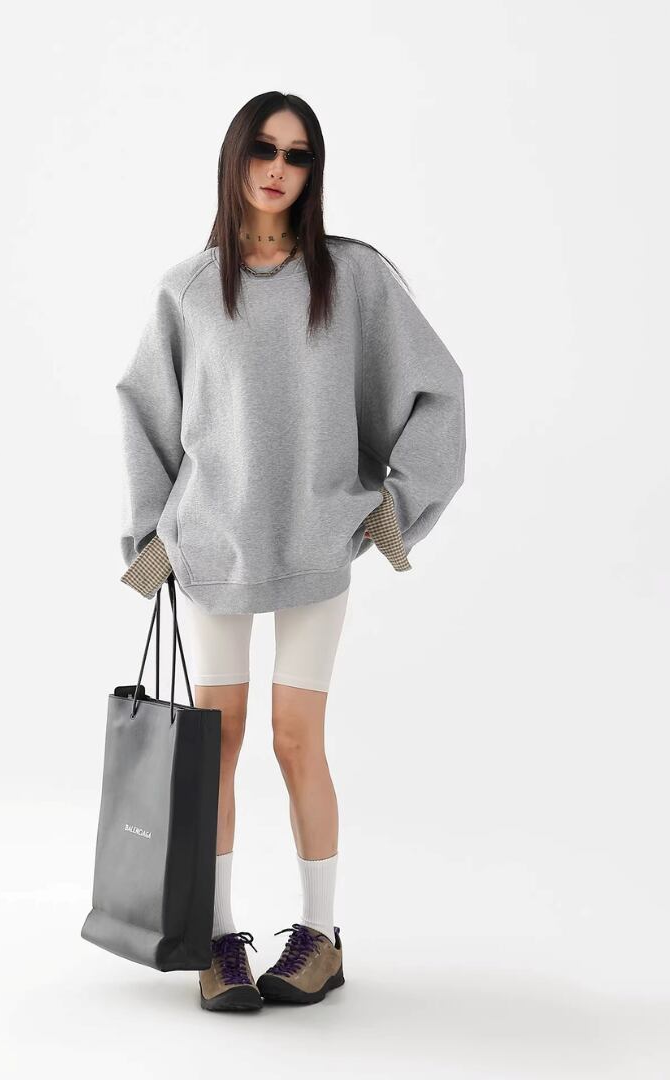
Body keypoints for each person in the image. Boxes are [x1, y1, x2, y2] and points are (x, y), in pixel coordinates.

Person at [114, 91, 467, 1010]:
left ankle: (321, 936)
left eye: (298, 154)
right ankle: (217, 938)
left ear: (314, 171)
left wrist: (389, 512)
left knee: (296, 737)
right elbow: (146, 415)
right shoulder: (188, 289)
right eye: (263, 150)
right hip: (214, 552)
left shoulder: (354, 279)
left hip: (316, 543)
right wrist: (151, 542)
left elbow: (438, 389)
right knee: (218, 742)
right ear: (235, 158)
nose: (278, 168)